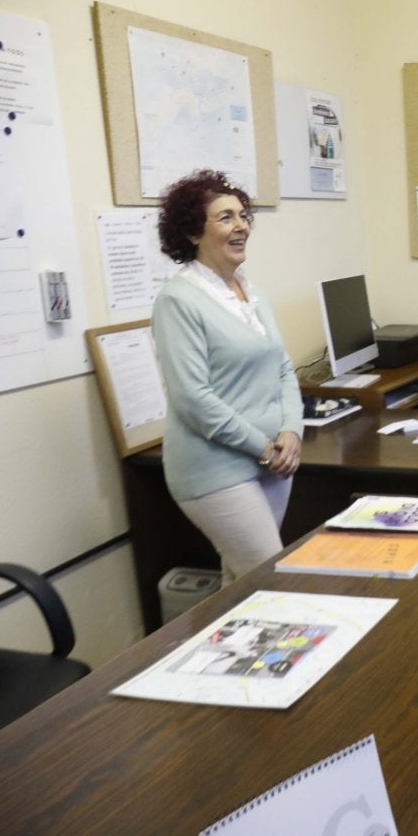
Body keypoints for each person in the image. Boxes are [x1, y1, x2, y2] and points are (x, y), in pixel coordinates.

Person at [151, 169, 304, 584]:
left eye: (242, 215)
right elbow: (193, 399)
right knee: (272, 578)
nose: (241, 226)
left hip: (272, 460)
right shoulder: (178, 302)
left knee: (241, 582)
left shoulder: (250, 292)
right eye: (225, 218)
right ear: (192, 233)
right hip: (215, 468)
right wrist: (263, 447)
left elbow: (284, 367)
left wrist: (292, 430)